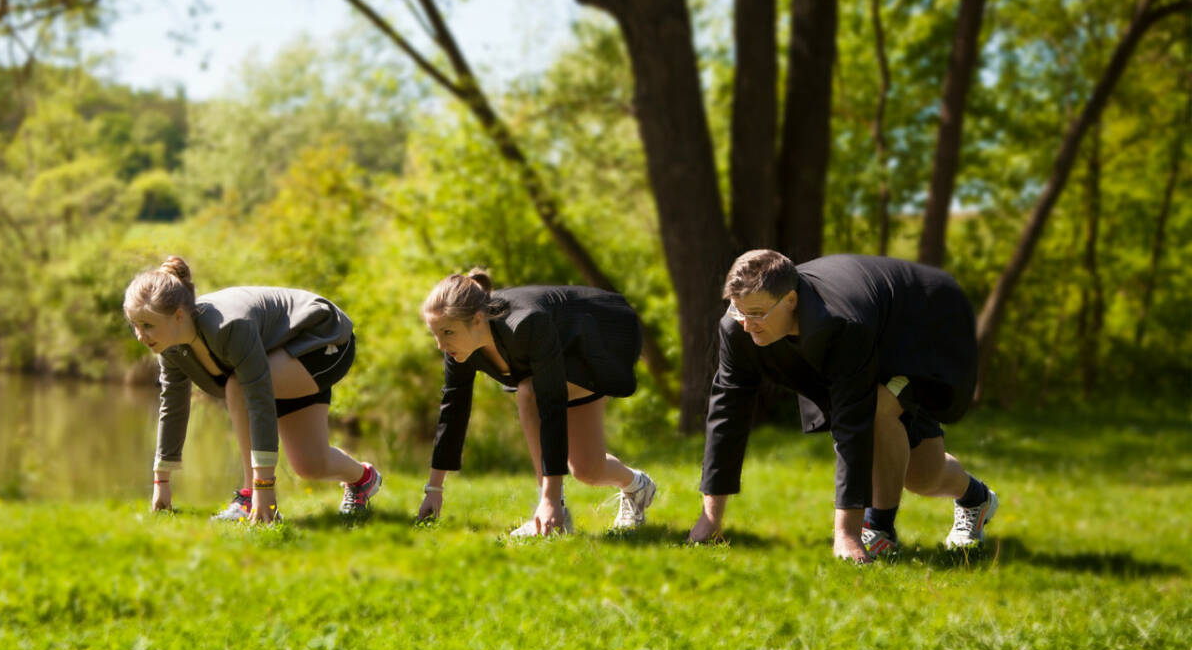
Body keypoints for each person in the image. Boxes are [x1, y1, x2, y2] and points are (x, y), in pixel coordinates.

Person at [690, 249, 998, 562]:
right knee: (922, 476)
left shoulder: (841, 322)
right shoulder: (736, 325)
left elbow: (853, 423)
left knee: (876, 408)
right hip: (870, 328)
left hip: (920, 328)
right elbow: (726, 416)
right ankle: (975, 498)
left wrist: (847, 535)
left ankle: (877, 528)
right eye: (739, 311)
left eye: (756, 313)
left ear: (791, 301)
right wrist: (710, 520)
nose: (746, 324)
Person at [123, 256, 381, 523]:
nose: (140, 336)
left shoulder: (230, 327)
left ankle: (250, 497)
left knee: (238, 387)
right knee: (310, 465)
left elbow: (257, 398)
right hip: (277, 354)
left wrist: (264, 490)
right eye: (135, 326)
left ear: (178, 316)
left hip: (321, 340)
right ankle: (363, 480)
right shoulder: (172, 346)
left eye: (148, 325)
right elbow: (172, 406)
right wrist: (161, 482)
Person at [417, 270, 657, 535]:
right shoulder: (457, 344)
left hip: (602, 336)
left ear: (476, 320)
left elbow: (551, 403)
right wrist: (434, 489)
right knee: (588, 469)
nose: (441, 345)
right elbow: (454, 408)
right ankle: (637, 486)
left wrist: (552, 500)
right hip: (560, 352)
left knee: (529, 391)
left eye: (447, 332)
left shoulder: (528, 324)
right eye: (435, 333)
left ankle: (554, 514)